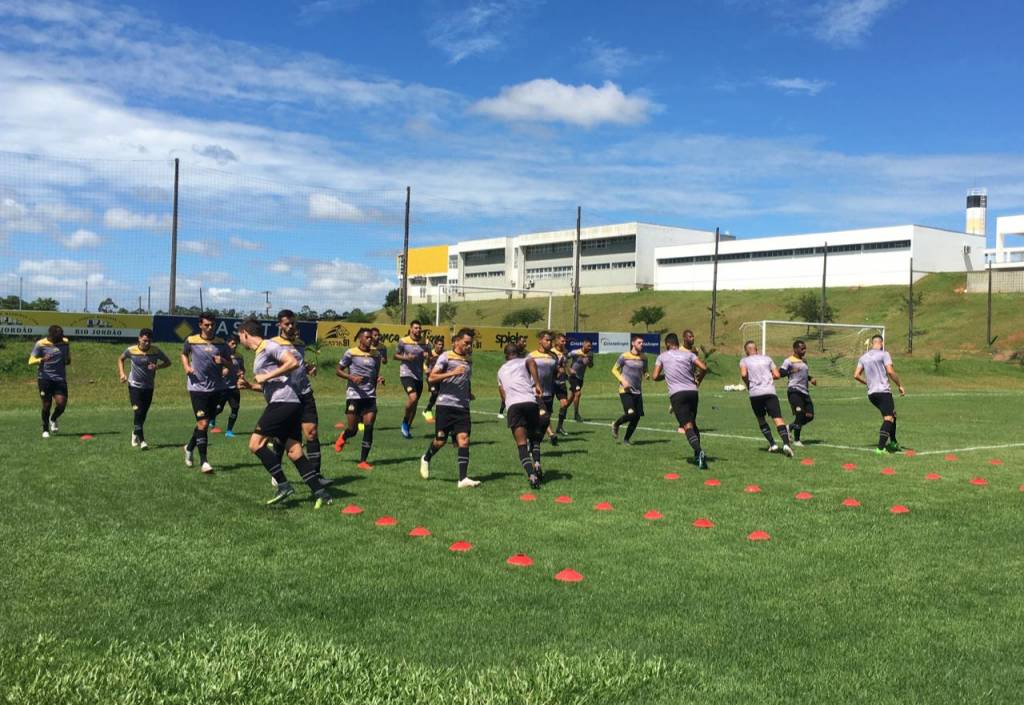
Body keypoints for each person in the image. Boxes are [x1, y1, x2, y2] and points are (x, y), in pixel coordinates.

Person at [236, 319, 332, 508]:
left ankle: (283, 484)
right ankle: (321, 493)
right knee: (295, 451)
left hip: (283, 403)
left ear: (245, 334)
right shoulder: (261, 352)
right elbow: (275, 383)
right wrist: (250, 386)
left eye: (240, 337)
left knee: (256, 444)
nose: (240, 341)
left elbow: (292, 362)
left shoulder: (269, 346)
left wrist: (266, 376)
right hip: (289, 402)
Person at [271, 310, 330, 486]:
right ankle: (276, 471)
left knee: (311, 433)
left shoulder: (300, 343)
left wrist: (307, 369)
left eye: (293, 324)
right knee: (282, 436)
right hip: (285, 395)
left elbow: (298, 365)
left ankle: (315, 475)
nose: (290, 327)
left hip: (304, 393)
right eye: (287, 323)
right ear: (279, 325)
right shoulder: (273, 344)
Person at [418, 328, 481, 488]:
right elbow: (432, 377)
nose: (468, 346)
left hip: (462, 406)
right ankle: (426, 458)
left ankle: (462, 479)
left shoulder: (469, 360)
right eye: (466, 343)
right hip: (445, 405)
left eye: (470, 343)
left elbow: (466, 378)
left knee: (464, 440)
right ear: (457, 341)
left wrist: (469, 392)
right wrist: (452, 373)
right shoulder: (446, 356)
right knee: (440, 441)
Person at [180, 313, 231, 473]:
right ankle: (204, 462)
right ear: (200, 325)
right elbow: (183, 354)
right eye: (207, 325)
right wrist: (187, 367)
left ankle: (189, 447)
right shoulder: (191, 340)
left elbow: (230, 362)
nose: (210, 328)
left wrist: (224, 364)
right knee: (203, 423)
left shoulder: (221, 343)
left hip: (216, 388)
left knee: (204, 422)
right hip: (197, 388)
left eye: (212, 325)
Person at [652, 331, 708, 468]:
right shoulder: (689, 354)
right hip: (692, 392)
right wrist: (698, 380)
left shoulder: (662, 357)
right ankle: (697, 456)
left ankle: (700, 452)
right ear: (677, 343)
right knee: (693, 423)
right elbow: (704, 368)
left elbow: (654, 376)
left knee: (687, 426)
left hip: (678, 394)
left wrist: (666, 375)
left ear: (667, 344)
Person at [334, 328, 383, 470]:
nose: (370, 339)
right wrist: (351, 377)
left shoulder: (376, 355)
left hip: (370, 396)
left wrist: (378, 379)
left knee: (369, 427)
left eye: (371, 337)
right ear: (360, 339)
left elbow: (375, 373)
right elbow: (338, 370)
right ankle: (344, 436)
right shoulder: (351, 353)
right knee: (353, 429)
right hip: (354, 396)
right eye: (367, 337)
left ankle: (363, 461)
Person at [497, 342, 544, 488]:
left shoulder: (500, 370)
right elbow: (532, 362)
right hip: (530, 402)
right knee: (534, 438)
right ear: (518, 353)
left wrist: (509, 404)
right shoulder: (525, 359)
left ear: (506, 355)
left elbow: (502, 393)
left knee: (521, 444)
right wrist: (537, 383)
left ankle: (531, 475)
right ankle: (537, 463)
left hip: (514, 406)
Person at [117, 327, 171, 449]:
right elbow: (121, 359)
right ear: (139, 338)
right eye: (144, 340)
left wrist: (157, 367)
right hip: (134, 386)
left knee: (143, 414)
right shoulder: (131, 350)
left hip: (148, 387)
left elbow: (168, 362)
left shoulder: (155, 351)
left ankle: (135, 432)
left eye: (149, 341)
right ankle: (142, 441)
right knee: (137, 411)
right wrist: (122, 373)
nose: (147, 343)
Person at [739, 340, 794, 457]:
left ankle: (772, 444)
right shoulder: (767, 359)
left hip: (755, 394)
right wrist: (768, 377)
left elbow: (744, 375)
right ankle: (786, 444)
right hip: (769, 392)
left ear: (746, 351)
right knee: (777, 419)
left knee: (761, 419)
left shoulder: (744, 360)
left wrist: (748, 384)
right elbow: (778, 375)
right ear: (756, 349)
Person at [854, 334, 906, 454]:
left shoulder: (863, 357)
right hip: (883, 392)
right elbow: (890, 371)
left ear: (872, 344)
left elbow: (856, 375)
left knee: (893, 414)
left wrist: (866, 382)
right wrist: (899, 385)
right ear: (881, 343)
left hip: (872, 394)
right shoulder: (884, 354)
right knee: (888, 418)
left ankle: (893, 442)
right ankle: (880, 448)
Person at [29, 324, 71, 439]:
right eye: (59, 337)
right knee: (46, 405)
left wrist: (67, 358)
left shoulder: (65, 342)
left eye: (62, 336)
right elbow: (30, 360)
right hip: (45, 378)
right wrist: (42, 359)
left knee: (61, 404)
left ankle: (53, 419)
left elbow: (67, 357)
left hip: (60, 378)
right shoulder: (40, 344)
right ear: (51, 336)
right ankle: (45, 429)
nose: (62, 339)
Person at [611, 335, 649, 445]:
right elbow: (614, 370)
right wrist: (623, 381)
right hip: (625, 390)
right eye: (639, 342)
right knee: (631, 413)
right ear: (633, 343)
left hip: (638, 391)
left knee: (636, 417)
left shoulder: (644, 357)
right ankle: (616, 424)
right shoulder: (624, 356)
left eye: (643, 342)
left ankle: (626, 439)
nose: (642, 344)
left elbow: (645, 370)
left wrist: (646, 374)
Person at [395, 320, 430, 439]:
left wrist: (427, 356)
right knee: (413, 397)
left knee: (414, 404)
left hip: (418, 376)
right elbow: (395, 355)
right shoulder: (403, 341)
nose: (418, 330)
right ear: (410, 329)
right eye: (415, 328)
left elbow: (429, 357)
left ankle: (408, 428)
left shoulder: (425, 342)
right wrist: (406, 357)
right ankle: (405, 421)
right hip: (406, 374)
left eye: (419, 328)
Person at [780, 339, 816, 447]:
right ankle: (796, 440)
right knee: (800, 414)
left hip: (805, 392)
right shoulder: (788, 361)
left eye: (805, 348)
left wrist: (810, 379)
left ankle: (790, 427)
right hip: (794, 391)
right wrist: (791, 371)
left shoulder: (804, 361)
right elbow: (781, 373)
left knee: (809, 416)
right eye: (802, 348)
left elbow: (803, 374)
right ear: (795, 349)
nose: (804, 350)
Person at [529, 330, 561, 446]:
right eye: (547, 340)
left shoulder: (554, 356)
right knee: (543, 416)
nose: (549, 342)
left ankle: (534, 441)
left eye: (551, 340)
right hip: (535, 392)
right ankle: (547, 436)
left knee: (545, 420)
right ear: (540, 341)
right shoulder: (531, 356)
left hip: (549, 392)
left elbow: (555, 372)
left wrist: (559, 372)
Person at [215, 334, 244, 438]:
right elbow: (213, 370)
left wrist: (241, 374)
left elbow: (242, 369)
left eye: (236, 343)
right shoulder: (220, 355)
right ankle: (211, 421)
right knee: (218, 409)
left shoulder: (239, 356)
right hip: (222, 387)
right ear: (227, 344)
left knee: (235, 408)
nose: (234, 345)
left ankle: (229, 431)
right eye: (232, 343)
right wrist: (222, 371)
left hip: (234, 387)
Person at [567, 338, 594, 422]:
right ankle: (576, 414)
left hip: (580, 378)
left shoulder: (590, 354)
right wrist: (568, 369)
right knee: (578, 393)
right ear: (584, 344)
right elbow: (564, 359)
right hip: (573, 377)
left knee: (572, 396)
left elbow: (591, 366)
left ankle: (563, 409)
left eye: (591, 346)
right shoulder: (576, 352)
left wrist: (588, 361)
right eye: (588, 346)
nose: (590, 348)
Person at [552, 333, 571, 437]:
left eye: (565, 341)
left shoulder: (565, 352)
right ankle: (545, 428)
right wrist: (556, 370)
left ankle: (559, 427)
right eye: (562, 341)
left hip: (561, 382)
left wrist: (569, 371)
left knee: (564, 404)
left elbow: (565, 364)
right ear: (557, 341)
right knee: (547, 409)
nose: (564, 343)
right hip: (551, 382)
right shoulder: (551, 352)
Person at [421, 336, 445, 423]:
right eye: (439, 344)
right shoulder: (430, 354)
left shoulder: (444, 354)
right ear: (435, 345)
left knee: (440, 396)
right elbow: (424, 363)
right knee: (435, 393)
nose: (440, 346)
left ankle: (429, 410)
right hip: (431, 378)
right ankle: (427, 410)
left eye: (442, 345)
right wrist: (426, 369)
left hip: (440, 378)